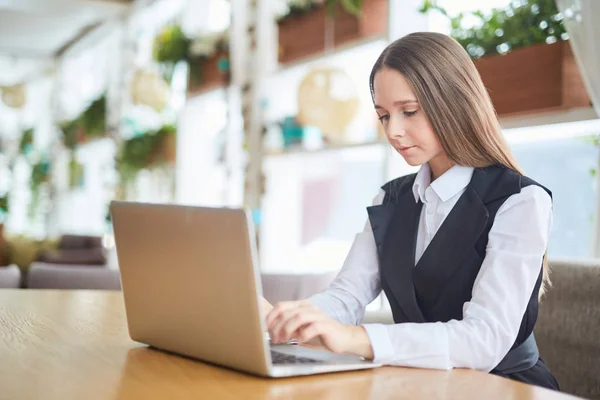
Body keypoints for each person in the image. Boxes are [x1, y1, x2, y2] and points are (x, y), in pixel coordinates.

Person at [262, 32, 559, 390]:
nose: (393, 131)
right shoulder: (390, 198)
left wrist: (357, 339)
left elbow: (484, 339)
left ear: (453, 101)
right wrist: (292, 319)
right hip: (417, 385)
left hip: (502, 388)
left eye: (409, 111)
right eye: (384, 116)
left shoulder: (519, 201)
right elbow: (347, 295)